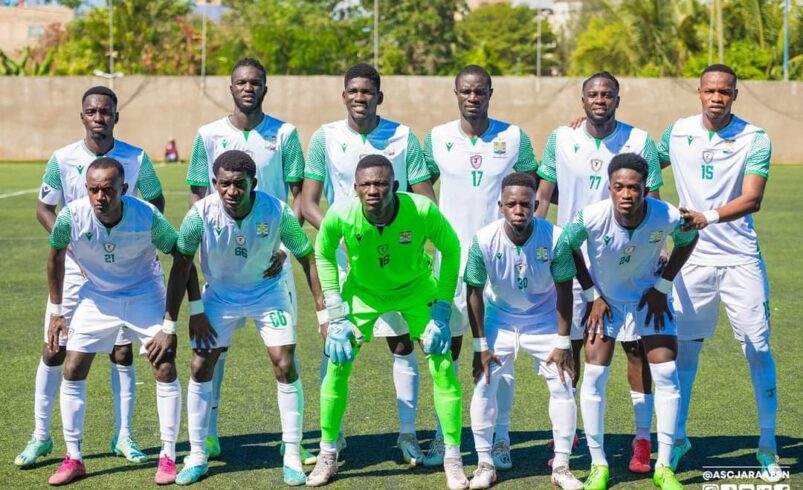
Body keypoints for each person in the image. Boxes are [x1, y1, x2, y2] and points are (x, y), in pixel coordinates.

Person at [16, 86, 166, 468]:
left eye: (105, 111)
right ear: (82, 116)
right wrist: (71, 247)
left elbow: (156, 205)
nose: (98, 117)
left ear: (116, 116)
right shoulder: (62, 158)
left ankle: (125, 436)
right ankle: (41, 436)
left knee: (122, 349)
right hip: (75, 265)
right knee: (54, 346)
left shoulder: (136, 158)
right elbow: (44, 208)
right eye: (91, 111)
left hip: (125, 270)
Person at [300, 62, 436, 464]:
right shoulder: (325, 137)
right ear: (344, 96)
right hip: (343, 262)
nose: (360, 97)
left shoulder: (403, 136)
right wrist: (339, 234)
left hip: (395, 259)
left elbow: (425, 200)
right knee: (335, 345)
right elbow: (307, 203)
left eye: (368, 91)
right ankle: (333, 439)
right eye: (353, 91)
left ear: (380, 96)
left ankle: (408, 436)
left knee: (401, 341)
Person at [306, 155, 466, 489]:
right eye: (366, 184)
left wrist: (440, 312)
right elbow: (322, 252)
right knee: (336, 363)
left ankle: (452, 456)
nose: (373, 190)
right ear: (355, 188)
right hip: (362, 293)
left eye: (380, 183)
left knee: (442, 363)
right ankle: (327, 453)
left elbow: (451, 249)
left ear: (394, 185)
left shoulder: (421, 210)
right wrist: (334, 313)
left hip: (416, 289)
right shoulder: (341, 214)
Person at [168, 150, 325, 486]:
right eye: (224, 184)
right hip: (220, 296)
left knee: (284, 363)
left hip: (267, 293)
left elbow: (307, 258)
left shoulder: (277, 211)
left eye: (240, 184)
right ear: (214, 183)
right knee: (200, 365)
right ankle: (197, 453)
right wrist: (190, 314)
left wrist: (324, 313)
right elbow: (181, 264)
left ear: (254, 184)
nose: (232, 191)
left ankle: (293, 454)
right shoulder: (200, 215)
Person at [657, 64, 783, 482]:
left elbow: (753, 199)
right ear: (699, 93)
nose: (716, 97)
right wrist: (661, 225)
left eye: (724, 92)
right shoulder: (676, 132)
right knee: (684, 353)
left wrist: (705, 216)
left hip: (740, 260)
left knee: (757, 348)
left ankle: (767, 445)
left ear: (734, 95)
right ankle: (677, 438)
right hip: (691, 261)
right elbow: (647, 168)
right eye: (710, 90)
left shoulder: (755, 137)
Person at [534, 71, 664, 472]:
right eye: (593, 94)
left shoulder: (640, 140)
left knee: (636, 347)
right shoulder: (561, 138)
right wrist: (538, 249)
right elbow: (543, 196)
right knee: (570, 344)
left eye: (608, 94)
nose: (600, 100)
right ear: (583, 99)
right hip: (574, 261)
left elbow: (655, 201)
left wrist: (658, 255)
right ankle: (572, 430)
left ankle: (642, 439)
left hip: (628, 262)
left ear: (617, 100)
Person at [185, 57, 311, 463]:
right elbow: (198, 195)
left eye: (255, 82)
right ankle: (207, 436)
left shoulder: (285, 133)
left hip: (272, 259)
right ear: (231, 87)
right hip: (222, 263)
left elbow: (298, 195)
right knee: (211, 352)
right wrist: (208, 246)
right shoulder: (207, 134)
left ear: (264, 89)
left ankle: (292, 443)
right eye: (241, 82)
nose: (248, 88)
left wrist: (284, 249)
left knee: (283, 355)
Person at [552, 153, 698, 490]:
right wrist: (591, 295)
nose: (627, 194)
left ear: (646, 189)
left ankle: (663, 466)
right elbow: (565, 247)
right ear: (610, 187)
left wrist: (664, 285)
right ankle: (598, 464)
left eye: (634, 187)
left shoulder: (666, 215)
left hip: (650, 300)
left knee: (666, 374)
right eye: (619, 187)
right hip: (607, 302)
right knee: (594, 376)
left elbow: (689, 238)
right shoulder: (590, 217)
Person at [419, 65, 538, 469]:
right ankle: (443, 435)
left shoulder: (514, 137)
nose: (473, 97)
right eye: (466, 91)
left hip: (500, 259)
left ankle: (500, 438)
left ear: (491, 92)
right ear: (456, 93)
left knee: (499, 352)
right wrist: (435, 236)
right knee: (446, 349)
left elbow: (531, 187)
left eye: (480, 91)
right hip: (450, 262)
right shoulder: (436, 138)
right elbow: (422, 192)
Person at [44, 158, 183, 485]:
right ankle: (74, 457)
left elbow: (181, 256)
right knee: (73, 366)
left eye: (107, 190)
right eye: (93, 190)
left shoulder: (147, 216)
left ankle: (168, 456)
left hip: (143, 291)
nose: (99, 197)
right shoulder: (70, 216)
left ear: (123, 189)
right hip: (98, 294)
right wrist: (57, 311)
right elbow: (54, 257)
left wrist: (170, 324)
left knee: (163, 365)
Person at [464, 173, 582, 490]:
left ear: (537, 204)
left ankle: (561, 466)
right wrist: (480, 345)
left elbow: (564, 290)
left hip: (543, 318)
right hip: (499, 317)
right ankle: (484, 464)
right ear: (501, 206)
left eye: (526, 204)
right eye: (512, 204)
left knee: (563, 384)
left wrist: (563, 341)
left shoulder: (556, 238)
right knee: (484, 383)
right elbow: (473, 291)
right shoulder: (483, 240)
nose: (519, 210)